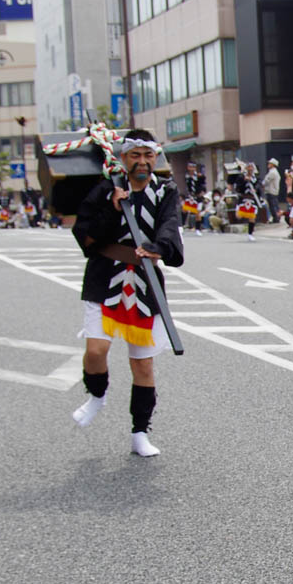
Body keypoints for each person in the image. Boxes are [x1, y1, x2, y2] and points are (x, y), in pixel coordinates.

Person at [70, 129, 184, 457]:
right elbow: (85, 233)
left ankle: (139, 432)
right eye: (136, 156)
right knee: (96, 350)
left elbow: (169, 225)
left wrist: (158, 247)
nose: (143, 162)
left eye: (148, 156)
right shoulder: (107, 189)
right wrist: (113, 208)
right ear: (123, 159)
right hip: (105, 278)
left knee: (143, 366)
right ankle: (96, 395)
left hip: (145, 282)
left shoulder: (165, 191)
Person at [235, 162, 261, 241]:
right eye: (248, 167)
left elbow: (259, 187)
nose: (250, 169)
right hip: (243, 198)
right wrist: (244, 181)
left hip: (252, 199)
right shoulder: (241, 177)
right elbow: (238, 188)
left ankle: (250, 234)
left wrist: (255, 189)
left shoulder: (256, 178)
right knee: (238, 216)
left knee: (252, 217)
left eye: (251, 167)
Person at [263, 157, 282, 223]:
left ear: (273, 164)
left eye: (270, 163)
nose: (268, 164)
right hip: (274, 191)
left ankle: (276, 218)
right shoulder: (274, 172)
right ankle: (277, 217)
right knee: (275, 205)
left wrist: (262, 185)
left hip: (271, 191)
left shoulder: (272, 172)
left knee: (273, 206)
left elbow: (266, 181)